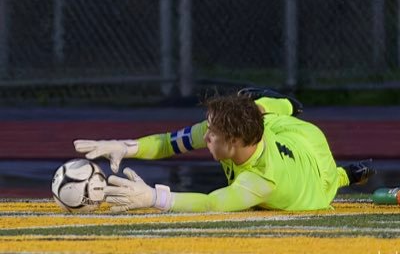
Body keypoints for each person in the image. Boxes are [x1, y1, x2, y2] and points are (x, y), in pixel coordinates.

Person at [74, 88, 375, 213]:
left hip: (314, 167)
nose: (205, 136)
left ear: (233, 142)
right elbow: (167, 142)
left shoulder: (260, 181)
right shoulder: (231, 129)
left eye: (212, 134)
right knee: (260, 105)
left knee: (329, 182)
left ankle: (347, 174)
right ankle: (288, 104)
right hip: (284, 130)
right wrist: (122, 148)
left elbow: (211, 203)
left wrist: (154, 197)